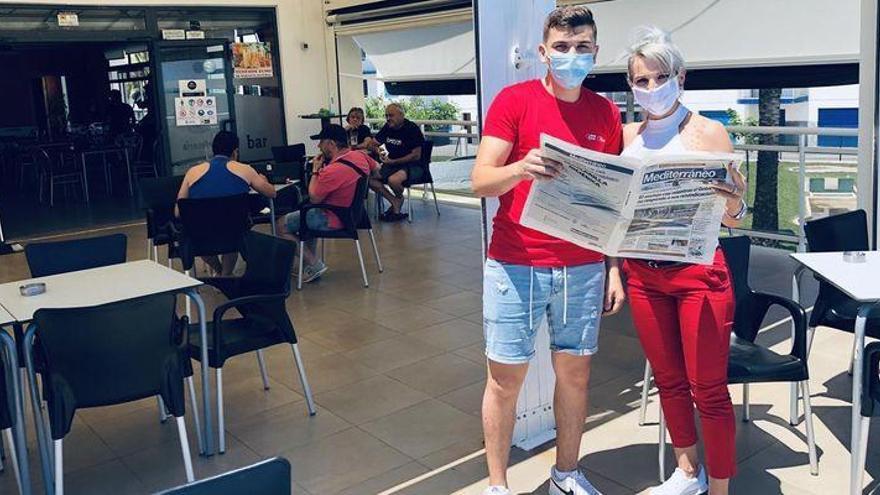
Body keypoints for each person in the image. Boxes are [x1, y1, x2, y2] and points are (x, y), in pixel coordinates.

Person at [471, 7, 626, 495]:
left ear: (595, 53)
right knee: (505, 381)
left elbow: (611, 201)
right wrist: (520, 168)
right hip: (516, 263)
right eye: (562, 47)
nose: (571, 56)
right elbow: (479, 181)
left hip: (582, 267)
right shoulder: (513, 101)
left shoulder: (605, 112)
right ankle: (498, 485)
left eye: (582, 47)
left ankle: (566, 472)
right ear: (543, 52)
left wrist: (614, 269)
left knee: (575, 377)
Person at [620, 27, 747, 495]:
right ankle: (687, 472)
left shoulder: (709, 131)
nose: (651, 88)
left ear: (680, 76)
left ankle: (720, 487)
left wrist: (732, 199)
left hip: (698, 272)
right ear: (631, 86)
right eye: (641, 80)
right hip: (643, 274)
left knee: (708, 390)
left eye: (660, 77)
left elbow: (735, 217)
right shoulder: (626, 134)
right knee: (669, 383)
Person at [277, 124, 378, 282]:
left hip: (332, 218)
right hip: (355, 215)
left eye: (321, 142)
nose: (318, 146)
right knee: (305, 217)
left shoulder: (332, 170)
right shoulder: (360, 156)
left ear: (331, 144)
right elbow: (377, 168)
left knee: (281, 225)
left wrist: (316, 171)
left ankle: (313, 263)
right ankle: (309, 264)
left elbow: (314, 197)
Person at [177, 130, 276, 276]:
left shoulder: (192, 172)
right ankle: (225, 274)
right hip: (234, 235)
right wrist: (265, 181)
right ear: (235, 151)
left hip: (201, 236)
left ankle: (220, 273)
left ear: (213, 150)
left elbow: (178, 211)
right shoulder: (245, 170)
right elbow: (271, 193)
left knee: (196, 230)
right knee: (233, 225)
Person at [367, 103, 425, 221]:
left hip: (412, 166)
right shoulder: (387, 127)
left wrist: (393, 161)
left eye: (391, 115)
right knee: (369, 179)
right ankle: (395, 200)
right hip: (391, 164)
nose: (388, 118)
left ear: (401, 115)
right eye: (386, 115)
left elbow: (416, 155)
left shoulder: (411, 129)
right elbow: (371, 144)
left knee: (393, 180)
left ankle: (397, 200)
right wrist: (381, 152)